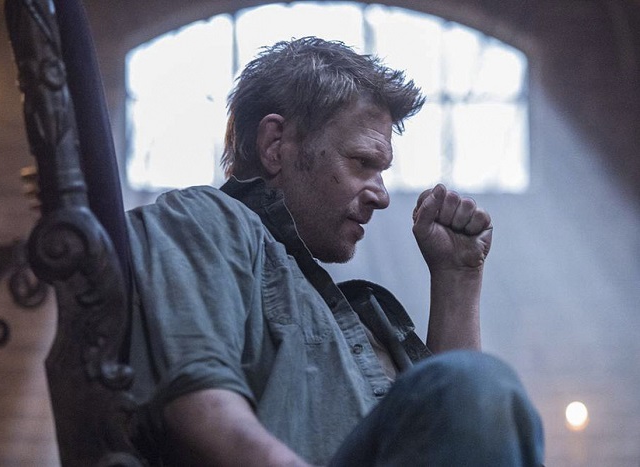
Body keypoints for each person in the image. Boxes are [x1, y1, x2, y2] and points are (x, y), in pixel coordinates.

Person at [126, 37, 544, 466]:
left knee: (478, 389)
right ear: (275, 144)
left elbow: (452, 437)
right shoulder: (203, 218)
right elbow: (202, 413)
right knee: (477, 381)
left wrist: (457, 276)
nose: (382, 196)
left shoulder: (350, 315)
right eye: (362, 162)